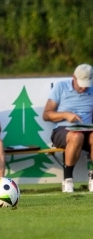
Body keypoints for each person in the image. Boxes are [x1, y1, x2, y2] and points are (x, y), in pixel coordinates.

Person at [42, 64, 93, 193]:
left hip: (88, 129)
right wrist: (65, 114)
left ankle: (92, 178)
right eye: (81, 83)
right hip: (63, 130)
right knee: (76, 136)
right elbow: (46, 114)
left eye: (87, 84)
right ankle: (68, 179)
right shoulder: (61, 87)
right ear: (73, 78)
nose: (84, 87)